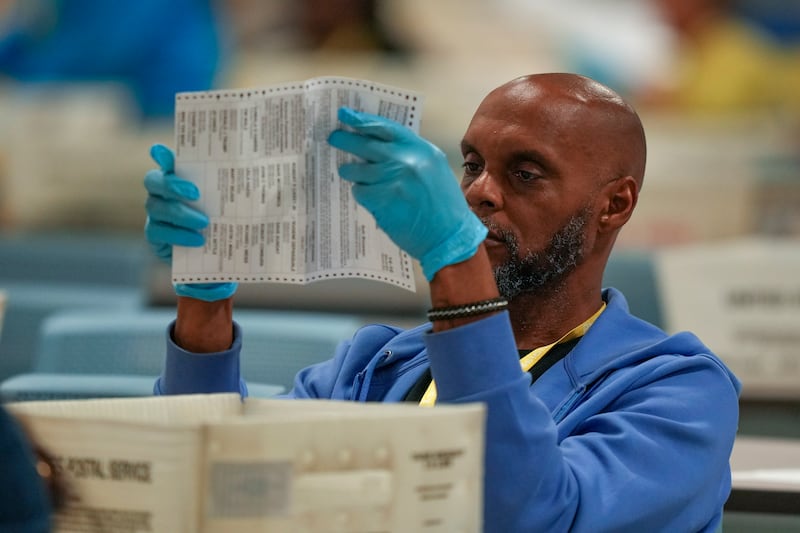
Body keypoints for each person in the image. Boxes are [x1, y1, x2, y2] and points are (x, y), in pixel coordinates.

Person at [144, 73, 741, 532]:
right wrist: (204, 305)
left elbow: (527, 517)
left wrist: (454, 259)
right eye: (473, 165)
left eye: (526, 174)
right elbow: (215, 489)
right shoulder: (375, 366)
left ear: (614, 205)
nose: (479, 192)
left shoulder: (680, 393)